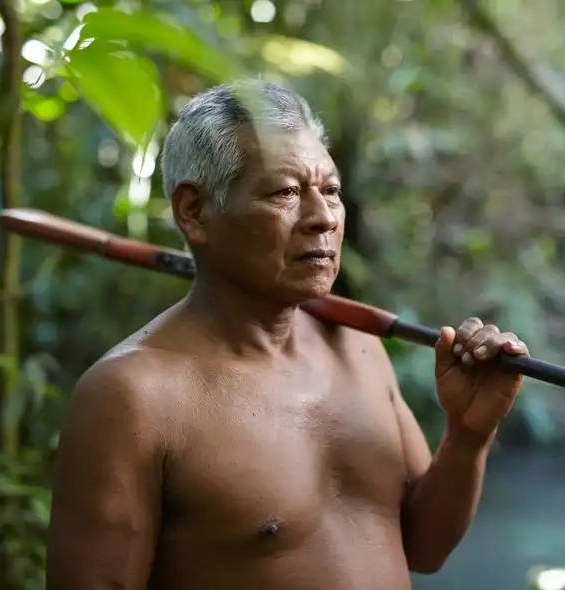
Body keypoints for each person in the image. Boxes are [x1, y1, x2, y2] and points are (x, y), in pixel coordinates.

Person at [45, 80, 530, 590]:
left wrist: (469, 435)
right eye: (286, 192)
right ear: (194, 211)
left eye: (331, 191)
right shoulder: (132, 396)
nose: (322, 218)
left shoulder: (358, 347)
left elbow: (425, 548)